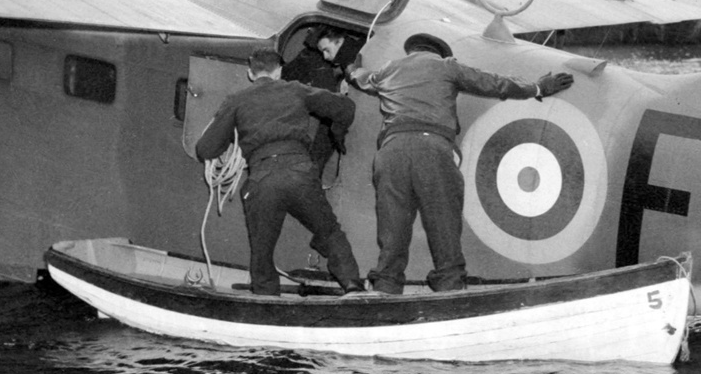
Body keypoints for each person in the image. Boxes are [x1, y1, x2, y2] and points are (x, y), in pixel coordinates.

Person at [347, 33, 574, 294]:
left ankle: (385, 290)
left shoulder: (388, 69)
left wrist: (352, 68)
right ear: (440, 53)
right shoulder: (447, 66)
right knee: (444, 227)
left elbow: (360, 77)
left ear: (411, 51)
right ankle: (450, 289)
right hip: (432, 150)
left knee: (392, 230)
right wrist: (537, 88)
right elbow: (493, 83)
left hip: (391, 152)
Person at [196, 46, 365, 296]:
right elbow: (346, 110)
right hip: (300, 172)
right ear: (279, 71)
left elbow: (206, 149)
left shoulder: (236, 100)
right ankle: (353, 286)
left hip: (262, 177)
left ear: (250, 74)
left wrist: (237, 137)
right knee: (330, 232)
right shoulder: (295, 88)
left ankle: (267, 302)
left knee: (262, 250)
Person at [281, 26, 355, 175]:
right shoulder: (339, 59)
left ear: (340, 42)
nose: (326, 57)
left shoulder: (353, 60)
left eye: (327, 50)